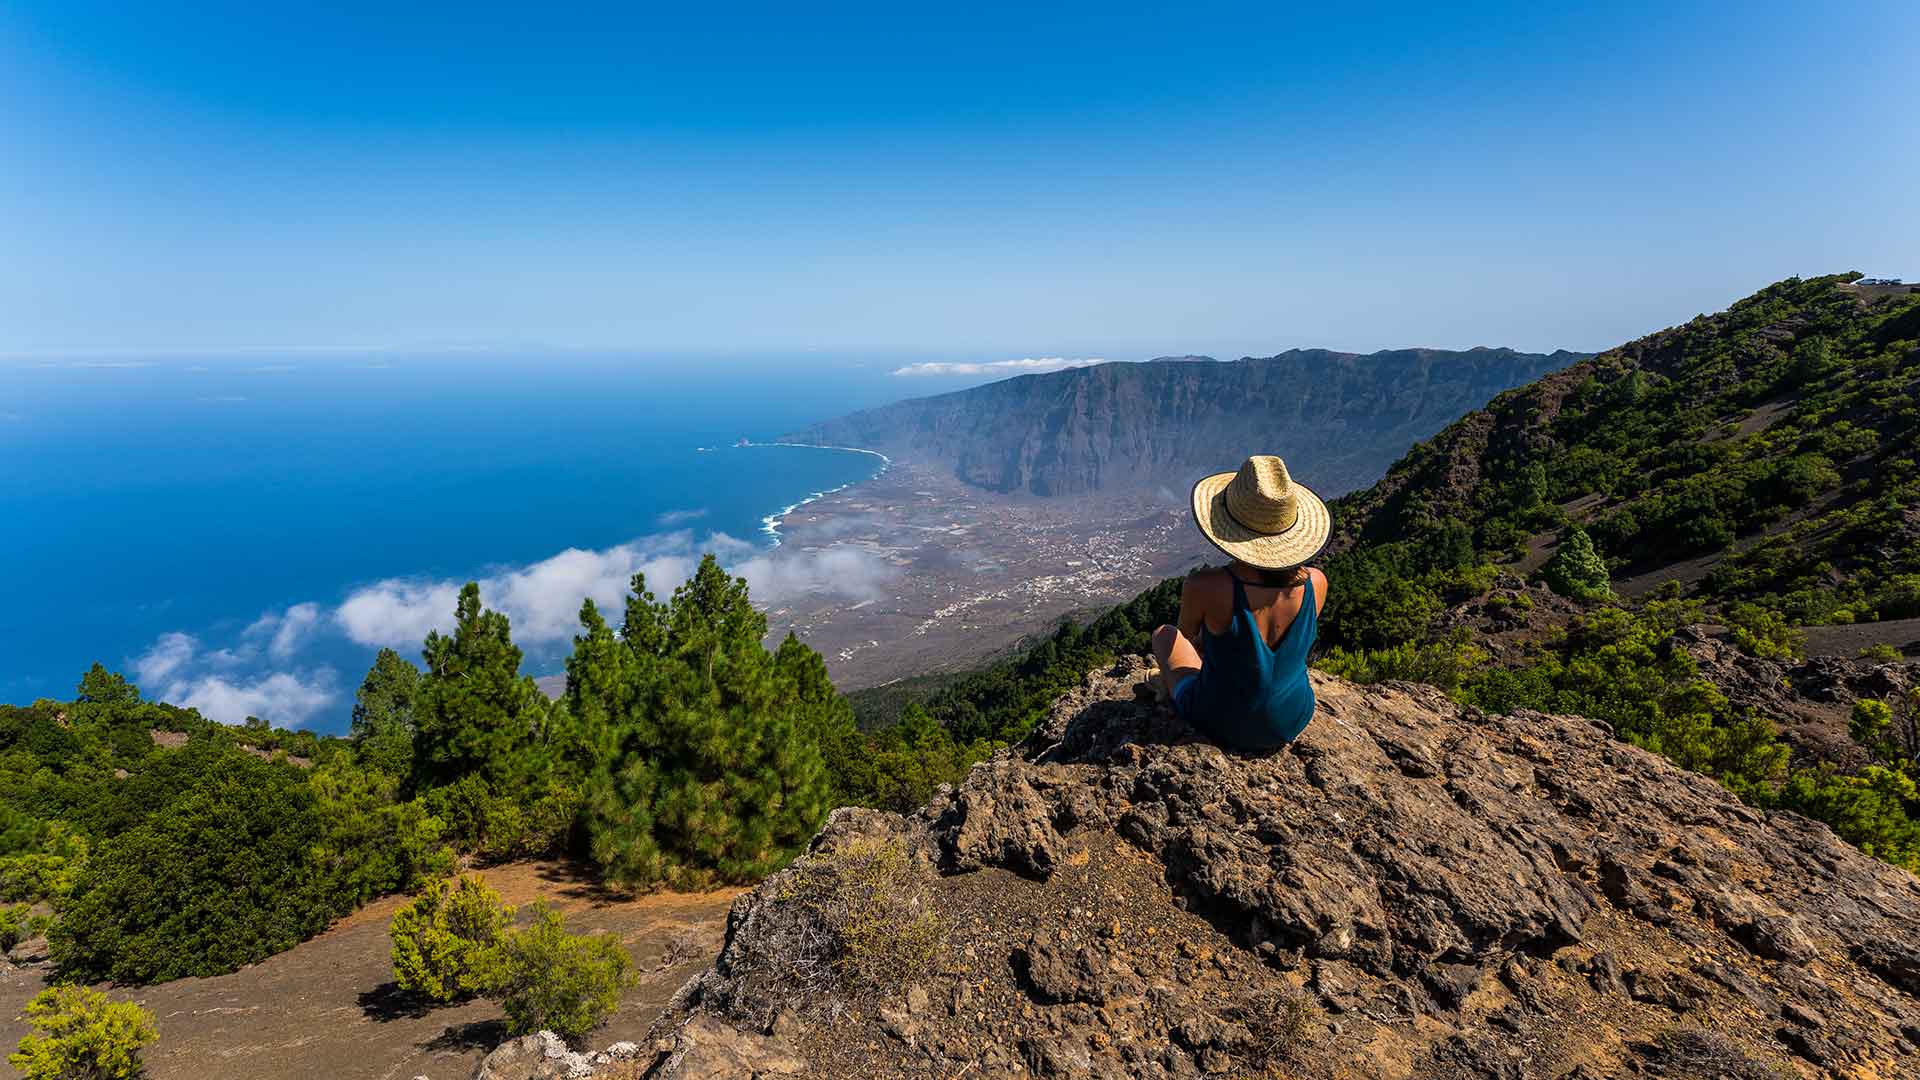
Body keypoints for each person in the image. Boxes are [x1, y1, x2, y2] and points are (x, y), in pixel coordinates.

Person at [1152, 454, 1330, 751]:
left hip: (1219, 720)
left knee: (1164, 635)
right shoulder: (1316, 583)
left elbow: (1188, 636)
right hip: (1291, 718)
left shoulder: (1206, 586)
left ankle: (1169, 687)